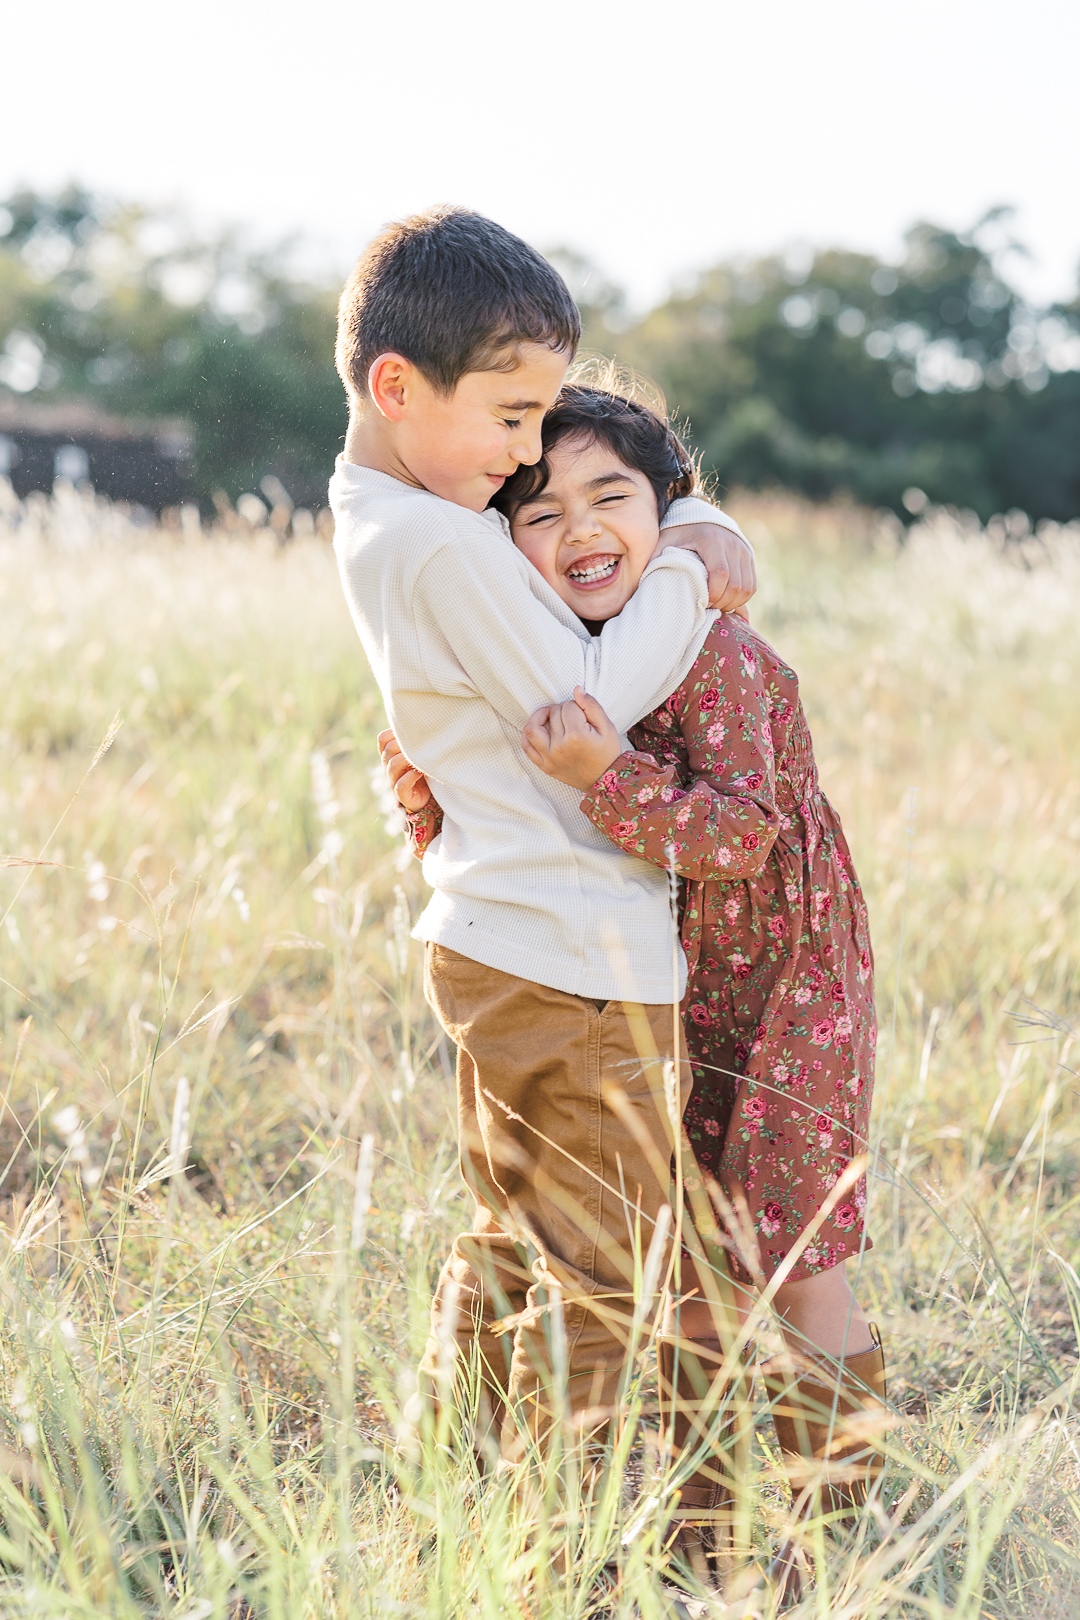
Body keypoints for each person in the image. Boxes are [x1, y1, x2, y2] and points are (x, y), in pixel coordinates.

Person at [387, 381, 888, 1583]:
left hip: (781, 990)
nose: (580, 531)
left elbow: (746, 840)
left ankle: (831, 1543)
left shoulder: (710, 654)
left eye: (611, 497)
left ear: (667, 513)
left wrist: (610, 775)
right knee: (696, 1260)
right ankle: (707, 1538)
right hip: (666, 985)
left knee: (798, 1263)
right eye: (540, 513)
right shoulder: (557, 647)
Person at [329, 206, 756, 1485]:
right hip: (567, 954)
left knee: (516, 1236)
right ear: (397, 387)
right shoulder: (442, 544)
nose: (527, 454)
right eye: (512, 419)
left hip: (505, 936)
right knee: (605, 1263)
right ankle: (555, 1540)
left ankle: (450, 1483)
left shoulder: (387, 513)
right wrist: (688, 554)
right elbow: (593, 698)